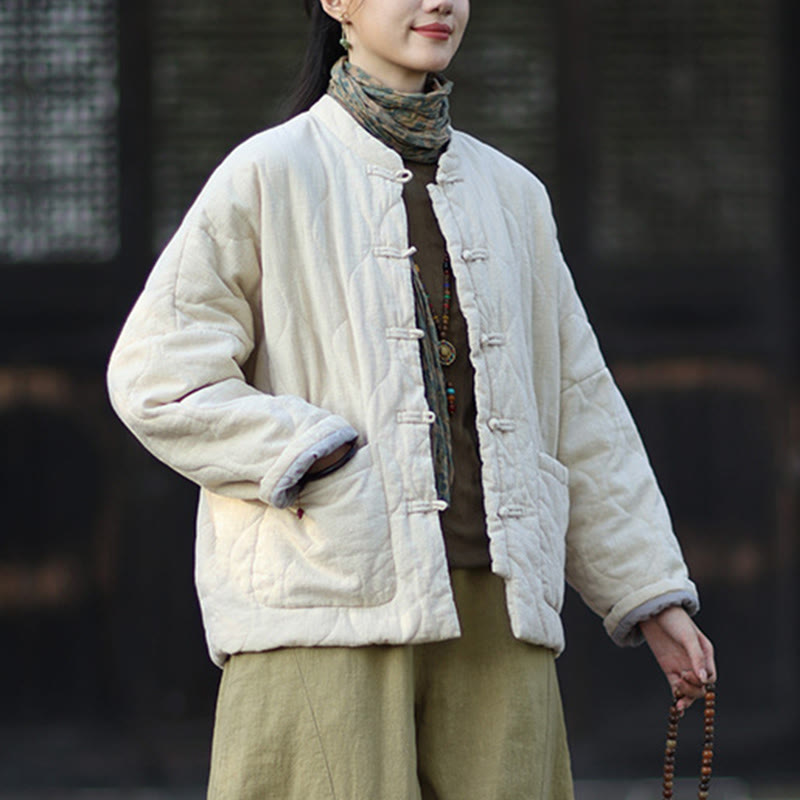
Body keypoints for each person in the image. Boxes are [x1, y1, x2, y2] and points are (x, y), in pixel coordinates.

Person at [107, 0, 717, 796]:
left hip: (501, 613)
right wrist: (308, 453)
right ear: (338, 3)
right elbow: (158, 373)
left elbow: (580, 407)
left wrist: (646, 595)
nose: (439, 2)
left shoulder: (515, 195)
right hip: (325, 603)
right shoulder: (269, 173)